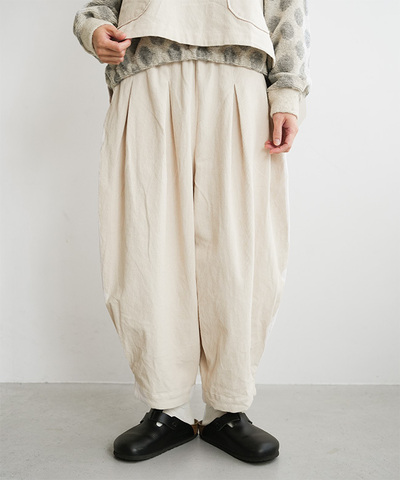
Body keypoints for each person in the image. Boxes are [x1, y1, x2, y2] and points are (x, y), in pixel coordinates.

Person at [73, 0, 311, 464]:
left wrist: (288, 93)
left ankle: (227, 406)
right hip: (146, 71)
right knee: (145, 245)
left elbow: (289, 9)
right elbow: (99, 7)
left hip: (240, 74)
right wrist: (94, 28)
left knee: (239, 249)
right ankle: (168, 407)